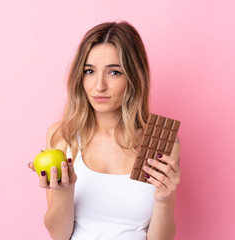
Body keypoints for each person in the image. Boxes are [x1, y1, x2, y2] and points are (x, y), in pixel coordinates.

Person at [28, 21, 181, 240]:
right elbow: (59, 235)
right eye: (89, 71)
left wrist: (165, 199)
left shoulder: (160, 141)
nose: (99, 85)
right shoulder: (63, 135)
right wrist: (64, 188)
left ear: (134, 77)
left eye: (114, 72)